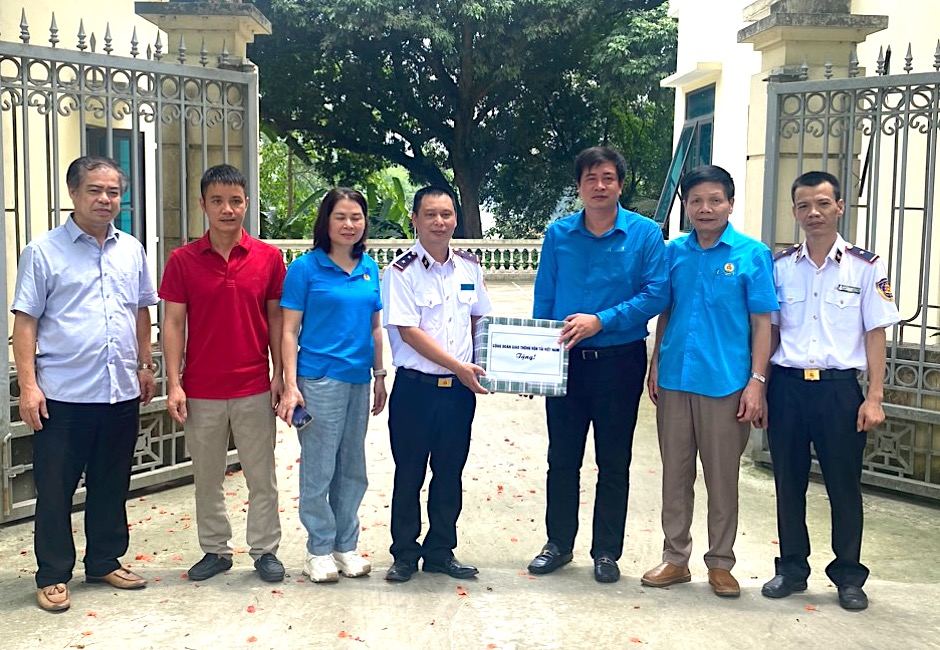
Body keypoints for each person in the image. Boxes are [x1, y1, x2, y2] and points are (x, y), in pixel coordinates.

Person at [12, 156, 158, 612]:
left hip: (118, 391)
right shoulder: (43, 252)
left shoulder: (131, 249)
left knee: (112, 482)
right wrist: (29, 387)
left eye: (113, 192)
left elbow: (140, 311)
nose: (105, 199)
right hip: (63, 396)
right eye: (95, 190)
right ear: (73, 193)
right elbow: (25, 322)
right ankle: (54, 573)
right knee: (55, 488)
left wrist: (145, 364)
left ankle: (104, 560)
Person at [528, 146, 669, 583]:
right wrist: (537, 360)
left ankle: (606, 551)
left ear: (620, 185)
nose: (600, 186)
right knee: (562, 458)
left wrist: (601, 321)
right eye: (591, 178)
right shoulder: (559, 234)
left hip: (619, 362)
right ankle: (558, 543)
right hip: (567, 361)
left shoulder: (646, 235)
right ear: (579, 186)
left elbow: (656, 293)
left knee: (614, 460)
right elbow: (545, 298)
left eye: (608, 177)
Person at [761, 171, 900, 611]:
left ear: (839, 206)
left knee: (843, 486)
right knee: (788, 483)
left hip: (840, 391)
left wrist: (874, 396)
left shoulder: (867, 266)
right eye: (804, 206)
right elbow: (773, 334)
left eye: (823, 204)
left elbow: (875, 333)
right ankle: (792, 569)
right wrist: (761, 388)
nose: (813, 213)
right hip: (787, 388)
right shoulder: (781, 266)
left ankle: (848, 575)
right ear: (795, 211)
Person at [641, 165, 778, 597]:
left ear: (730, 204)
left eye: (715, 200)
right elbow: (667, 311)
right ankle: (675, 558)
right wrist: (655, 364)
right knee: (675, 475)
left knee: (722, 478)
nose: (705, 208)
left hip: (726, 383)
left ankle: (721, 563)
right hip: (677, 377)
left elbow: (762, 324)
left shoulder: (752, 254)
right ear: (686, 205)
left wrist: (757, 382)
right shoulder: (674, 252)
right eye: (696, 200)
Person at [159, 164, 287, 583]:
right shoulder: (182, 261)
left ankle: (265, 549)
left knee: (260, 475)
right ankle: (215, 549)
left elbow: (276, 323)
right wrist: (174, 383)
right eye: (217, 201)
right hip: (201, 389)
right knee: (208, 477)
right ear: (203, 205)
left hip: (253, 386)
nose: (227, 209)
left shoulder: (268, 259)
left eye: (235, 200)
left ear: (246, 203)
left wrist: (279, 375)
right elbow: (174, 324)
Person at [381, 186, 492, 583]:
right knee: (408, 473)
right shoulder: (400, 271)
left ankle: (441, 550)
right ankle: (405, 554)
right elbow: (408, 332)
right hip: (415, 390)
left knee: (450, 472)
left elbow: (481, 319)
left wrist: (488, 365)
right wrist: (460, 366)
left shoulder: (469, 267)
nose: (439, 222)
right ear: (414, 219)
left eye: (446, 214)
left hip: (458, 394)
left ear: (455, 219)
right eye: (430, 214)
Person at [277, 187, 387, 583]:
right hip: (319, 379)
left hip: (359, 380)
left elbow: (375, 328)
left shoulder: (370, 268)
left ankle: (346, 545)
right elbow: (289, 331)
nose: (348, 224)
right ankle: (319, 549)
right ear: (326, 221)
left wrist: (379, 375)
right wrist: (291, 385)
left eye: (356, 217)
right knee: (320, 468)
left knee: (352, 468)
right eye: (340, 216)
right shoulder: (305, 269)